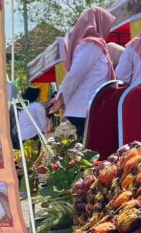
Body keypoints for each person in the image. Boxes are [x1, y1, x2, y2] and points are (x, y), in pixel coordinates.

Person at [49, 7, 116, 138]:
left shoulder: (93, 45)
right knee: (91, 152)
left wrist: (61, 97)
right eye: (107, 25)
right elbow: (75, 74)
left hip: (86, 110)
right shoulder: (92, 45)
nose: (108, 30)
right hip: (85, 112)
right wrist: (61, 98)